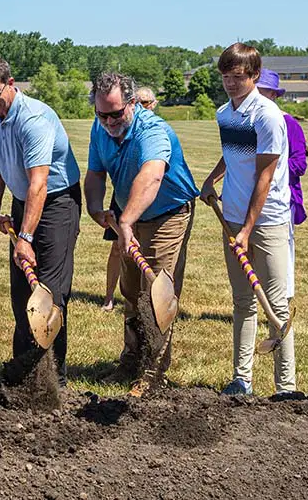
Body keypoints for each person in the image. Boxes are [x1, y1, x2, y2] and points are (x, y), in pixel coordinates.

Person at [84, 73, 199, 388]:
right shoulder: (101, 128)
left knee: (156, 293)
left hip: (167, 213)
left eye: (116, 113)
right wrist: (96, 208)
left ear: (133, 103)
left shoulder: (153, 130)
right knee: (131, 291)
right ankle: (130, 362)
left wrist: (125, 221)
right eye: (101, 114)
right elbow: (95, 173)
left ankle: (153, 372)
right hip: (131, 215)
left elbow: (151, 176)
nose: (108, 121)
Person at [0, 55, 81, 385]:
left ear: (11, 85)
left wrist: (25, 238)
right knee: (22, 292)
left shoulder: (33, 119)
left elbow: (40, 182)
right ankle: (23, 374)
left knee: (48, 293)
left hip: (56, 205)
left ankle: (52, 379)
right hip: (25, 202)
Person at [200, 43, 296, 397]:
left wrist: (246, 230)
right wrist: (213, 178)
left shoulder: (268, 116)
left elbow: (265, 177)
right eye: (225, 77)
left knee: (276, 304)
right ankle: (241, 380)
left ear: (254, 76)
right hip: (234, 216)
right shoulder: (225, 113)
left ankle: (286, 387)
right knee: (243, 302)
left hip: (267, 221)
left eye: (237, 77)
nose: (230, 83)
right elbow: (233, 154)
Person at [102, 87, 159, 311]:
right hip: (123, 196)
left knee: (146, 249)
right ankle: (109, 297)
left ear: (153, 104)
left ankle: (149, 301)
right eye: (141, 101)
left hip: (149, 198)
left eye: (148, 102)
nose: (144, 106)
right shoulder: (114, 128)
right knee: (118, 247)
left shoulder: (151, 128)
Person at [256, 69, 307, 303]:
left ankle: (282, 301)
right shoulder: (249, 120)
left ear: (274, 95)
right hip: (250, 196)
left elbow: (299, 163)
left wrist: (270, 167)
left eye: (261, 92)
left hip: (280, 198)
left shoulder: (288, 123)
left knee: (281, 254)